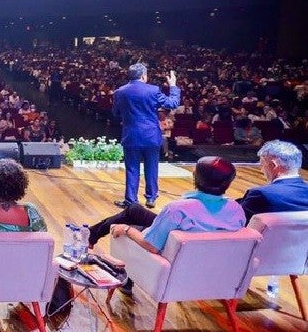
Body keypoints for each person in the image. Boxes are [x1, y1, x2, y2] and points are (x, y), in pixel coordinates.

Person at [87, 156, 244, 254]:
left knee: (124, 225)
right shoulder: (236, 209)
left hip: (172, 252)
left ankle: (129, 278)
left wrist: (126, 229)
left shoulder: (177, 209)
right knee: (134, 210)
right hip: (205, 253)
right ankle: (90, 235)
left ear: (196, 178)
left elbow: (151, 246)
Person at [112, 63, 180, 208]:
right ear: (144, 76)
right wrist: (173, 86)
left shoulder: (119, 92)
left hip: (131, 135)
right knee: (151, 167)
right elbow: (173, 103)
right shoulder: (153, 90)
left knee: (132, 169)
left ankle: (131, 200)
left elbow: (115, 113)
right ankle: (151, 198)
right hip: (151, 135)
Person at [237, 140, 308, 222]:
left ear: (273, 165)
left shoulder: (260, 194)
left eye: (262, 165)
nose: (262, 170)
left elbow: (235, 222)